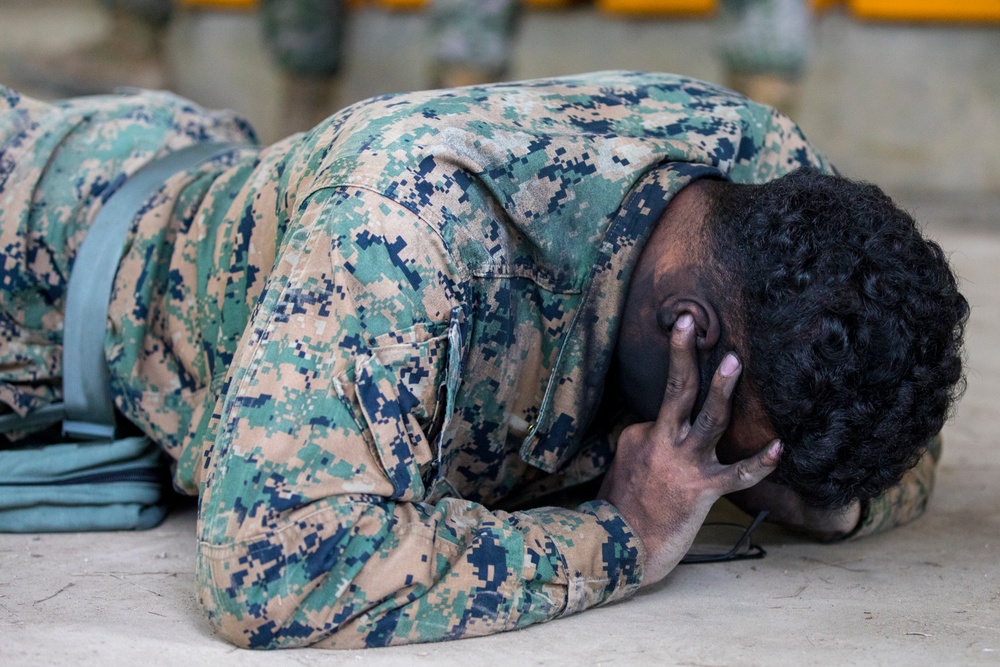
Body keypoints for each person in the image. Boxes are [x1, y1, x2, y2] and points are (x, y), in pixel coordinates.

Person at [0, 70, 967, 648]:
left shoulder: (776, 190)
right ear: (688, 333)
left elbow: (888, 414)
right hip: (37, 267)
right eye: (732, 448)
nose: (729, 480)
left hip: (190, 169)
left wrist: (825, 501)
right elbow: (269, 571)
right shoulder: (407, 232)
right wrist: (621, 535)